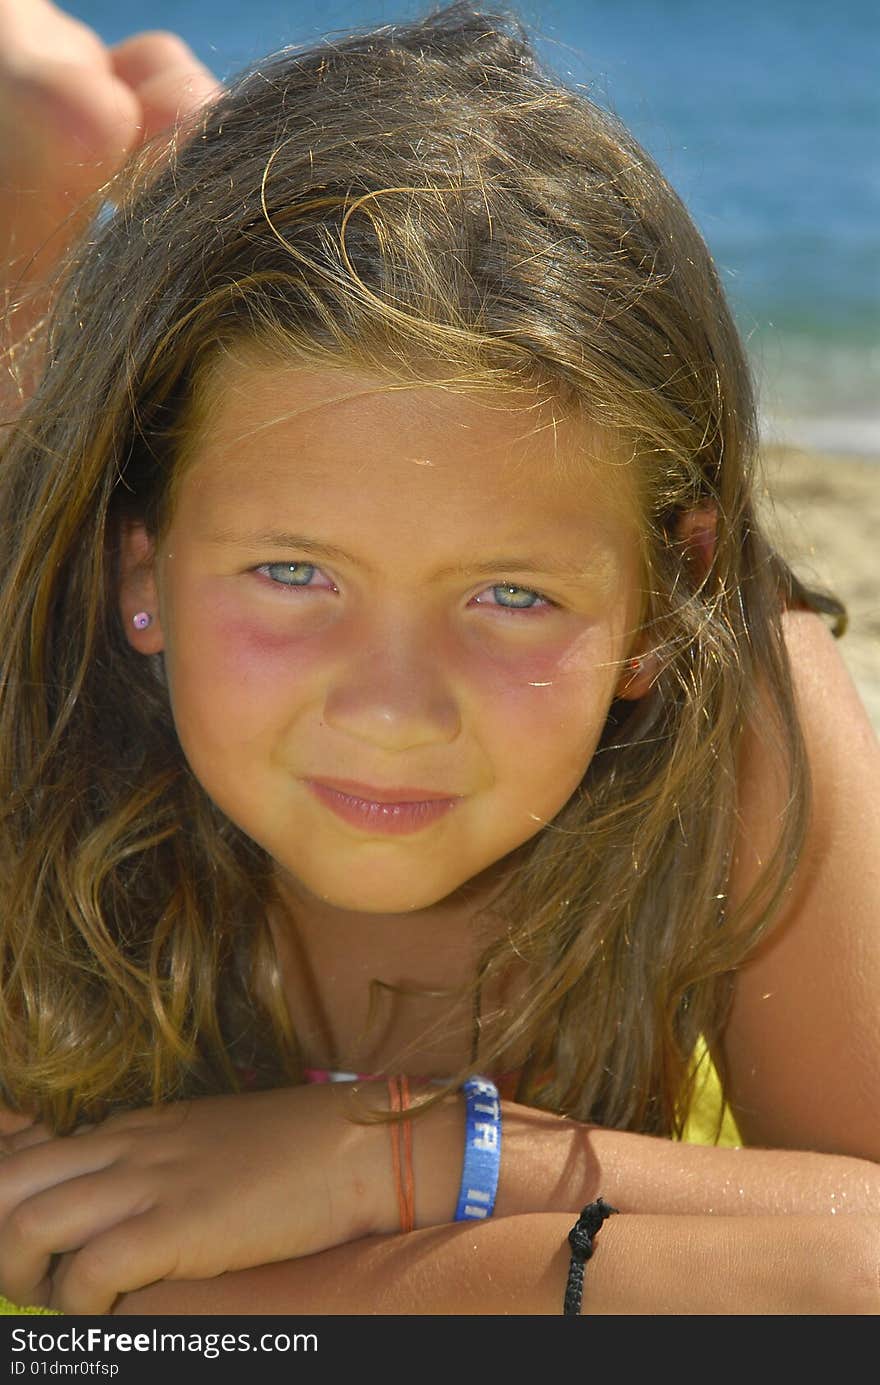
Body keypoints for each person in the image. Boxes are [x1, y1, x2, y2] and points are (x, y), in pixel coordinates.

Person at [0, 0, 877, 1318]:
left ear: (659, 606)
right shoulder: (31, 716)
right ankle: (109, 166)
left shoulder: (733, 679)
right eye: (295, 574)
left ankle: (184, 151)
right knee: (41, 140)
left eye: (512, 595)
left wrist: (404, 1156)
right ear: (145, 578)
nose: (395, 708)